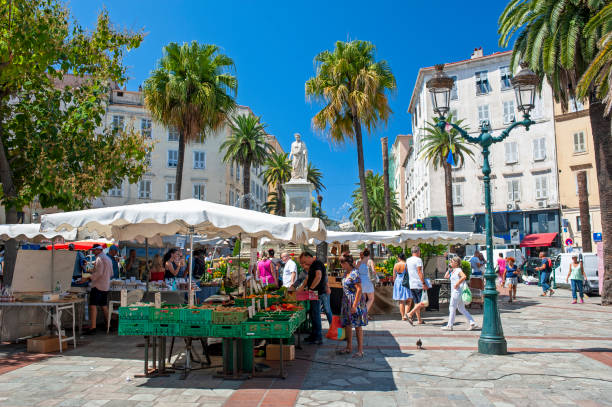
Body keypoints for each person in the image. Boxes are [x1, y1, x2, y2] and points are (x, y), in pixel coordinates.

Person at [337, 252, 367, 358]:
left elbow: (359, 289)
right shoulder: (346, 273)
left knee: (358, 326)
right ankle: (349, 347)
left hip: (355, 301)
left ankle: (360, 351)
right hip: (346, 302)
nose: (340, 264)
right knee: (348, 325)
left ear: (347, 263)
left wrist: (354, 305)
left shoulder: (355, 273)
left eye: (342, 262)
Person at [81, 244, 113, 334]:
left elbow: (98, 273)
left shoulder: (99, 258)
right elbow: (109, 273)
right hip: (105, 285)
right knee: (103, 305)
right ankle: (109, 325)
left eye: (95, 250)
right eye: (93, 250)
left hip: (98, 285)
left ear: (99, 250)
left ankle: (93, 327)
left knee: (93, 305)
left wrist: (87, 278)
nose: (93, 252)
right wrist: (87, 265)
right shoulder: (108, 259)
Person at [298, 252, 327, 345]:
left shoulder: (317, 263)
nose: (304, 263)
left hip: (316, 293)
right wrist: (300, 290)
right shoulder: (312, 265)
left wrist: (311, 288)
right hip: (313, 293)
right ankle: (314, 335)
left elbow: (319, 276)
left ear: (308, 257)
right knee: (313, 314)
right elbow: (307, 279)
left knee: (315, 314)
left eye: (304, 261)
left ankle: (318, 337)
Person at [442, 256, 478, 331]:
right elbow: (446, 276)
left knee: (452, 307)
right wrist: (449, 269)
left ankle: (449, 325)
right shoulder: (454, 271)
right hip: (457, 291)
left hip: (457, 291)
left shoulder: (458, 270)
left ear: (456, 263)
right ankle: (472, 322)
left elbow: (464, 276)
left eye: (451, 262)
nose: (450, 263)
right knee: (461, 308)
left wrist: (457, 283)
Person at [405, 246, 427, 326]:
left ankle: (419, 320)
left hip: (412, 283)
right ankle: (409, 314)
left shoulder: (408, 260)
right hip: (418, 283)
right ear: (418, 252)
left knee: (417, 302)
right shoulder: (418, 260)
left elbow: (407, 270)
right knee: (422, 302)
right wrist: (424, 283)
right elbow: (419, 271)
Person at [392, 252, 413, 321]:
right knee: (408, 300)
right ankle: (406, 315)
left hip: (397, 282)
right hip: (405, 282)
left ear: (399, 258)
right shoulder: (406, 265)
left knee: (401, 301)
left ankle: (402, 316)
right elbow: (409, 274)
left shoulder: (396, 265)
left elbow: (394, 276)